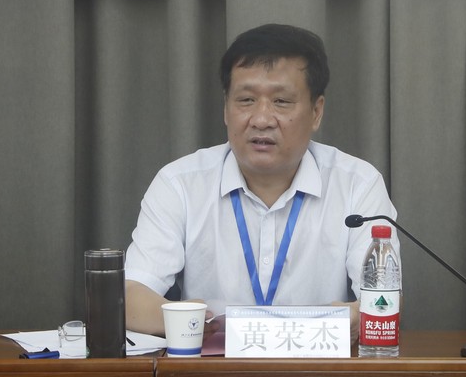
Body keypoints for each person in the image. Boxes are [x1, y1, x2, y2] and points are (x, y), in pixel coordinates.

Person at [124, 24, 399, 342]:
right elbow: (131, 296)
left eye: (281, 101)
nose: (262, 119)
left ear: (316, 112)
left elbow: (383, 300)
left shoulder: (358, 185)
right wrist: (192, 320)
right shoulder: (180, 184)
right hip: (212, 364)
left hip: (318, 363)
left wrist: (358, 317)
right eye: (246, 100)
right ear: (226, 108)